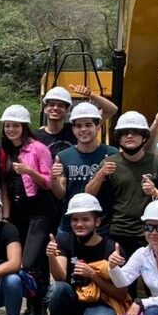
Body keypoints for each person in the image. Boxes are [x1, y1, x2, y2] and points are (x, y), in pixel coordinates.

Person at [43, 193, 128, 315]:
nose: (79, 224)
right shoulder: (64, 240)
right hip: (74, 301)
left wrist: (93, 275)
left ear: (97, 222)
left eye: (85, 219)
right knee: (57, 289)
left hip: (100, 304)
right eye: (75, 220)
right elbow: (60, 277)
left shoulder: (112, 249)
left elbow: (121, 294)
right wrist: (51, 256)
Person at [85, 111, 158, 260]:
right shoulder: (109, 163)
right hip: (117, 232)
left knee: (149, 280)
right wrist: (101, 174)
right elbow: (88, 194)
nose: (130, 136)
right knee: (119, 279)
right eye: (125, 133)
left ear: (144, 136)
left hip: (150, 232)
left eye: (135, 132)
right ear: (119, 138)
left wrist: (155, 192)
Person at [0, 104, 52, 315]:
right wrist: (7, 217)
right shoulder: (6, 151)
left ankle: (36, 314)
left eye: (15, 125)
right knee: (19, 263)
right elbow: (6, 187)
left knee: (32, 264)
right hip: (17, 214)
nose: (11, 129)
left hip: (39, 212)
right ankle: (28, 313)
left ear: (24, 127)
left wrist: (29, 172)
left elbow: (48, 182)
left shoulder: (38, 148)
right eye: (8, 125)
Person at [51, 102, 118, 240]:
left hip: (103, 227)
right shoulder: (64, 156)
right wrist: (54, 179)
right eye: (78, 126)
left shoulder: (112, 154)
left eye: (88, 125)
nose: (83, 129)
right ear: (73, 129)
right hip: (70, 226)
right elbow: (60, 194)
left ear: (98, 127)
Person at [35, 85, 119, 157]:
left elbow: (112, 110)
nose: (55, 108)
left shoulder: (77, 128)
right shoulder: (35, 137)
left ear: (67, 110)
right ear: (45, 109)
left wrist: (91, 94)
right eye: (51, 105)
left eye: (60, 105)